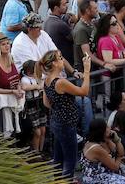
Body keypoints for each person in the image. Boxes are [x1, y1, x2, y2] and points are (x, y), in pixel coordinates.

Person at [43, 50, 93, 178]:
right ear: (54, 63)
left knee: (58, 158)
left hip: (57, 121)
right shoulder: (60, 82)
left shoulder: (47, 80)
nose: (63, 60)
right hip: (66, 124)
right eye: (60, 58)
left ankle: (57, 181)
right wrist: (87, 70)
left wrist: (59, 107)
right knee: (70, 159)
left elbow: (46, 103)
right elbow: (83, 91)